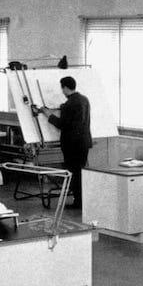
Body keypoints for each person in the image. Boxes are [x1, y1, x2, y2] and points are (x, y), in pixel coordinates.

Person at [40, 76, 92, 210]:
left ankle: (78, 203)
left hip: (72, 144)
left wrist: (48, 115)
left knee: (73, 173)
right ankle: (81, 200)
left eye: (62, 88)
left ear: (65, 87)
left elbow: (63, 124)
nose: (62, 91)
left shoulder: (69, 105)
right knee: (80, 171)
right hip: (84, 142)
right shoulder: (84, 99)